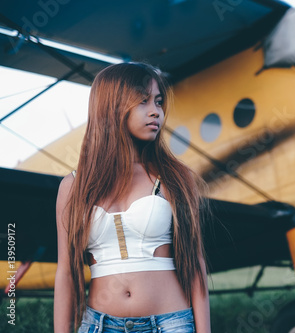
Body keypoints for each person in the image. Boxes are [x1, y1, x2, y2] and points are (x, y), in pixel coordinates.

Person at [53, 62, 211, 333]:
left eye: (159, 102)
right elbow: (66, 273)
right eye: (142, 100)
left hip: (170, 324)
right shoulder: (74, 186)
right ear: (111, 106)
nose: (155, 111)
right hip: (99, 326)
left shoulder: (174, 177)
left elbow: (196, 265)